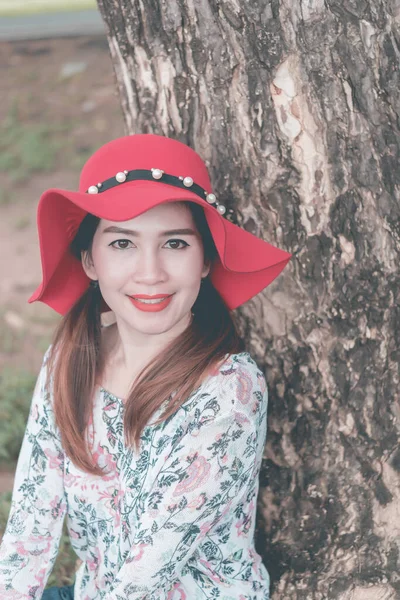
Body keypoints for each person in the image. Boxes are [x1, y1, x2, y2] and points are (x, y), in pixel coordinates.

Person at [0, 134, 291, 600]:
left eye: (174, 243)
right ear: (89, 261)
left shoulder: (228, 391)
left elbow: (145, 575)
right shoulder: (71, 358)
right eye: (122, 244)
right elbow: (32, 517)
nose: (150, 272)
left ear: (205, 261)